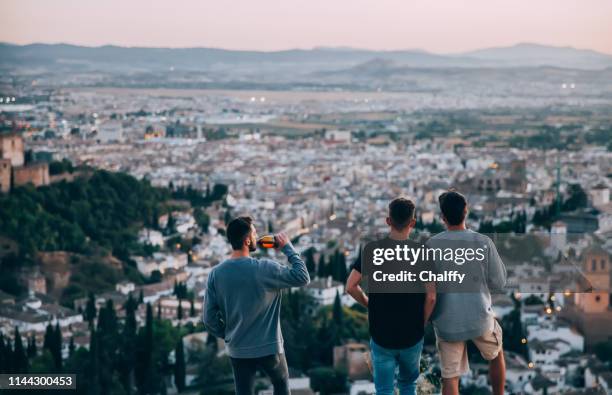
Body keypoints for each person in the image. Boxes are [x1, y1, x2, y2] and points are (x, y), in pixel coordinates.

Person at [203, 216, 310, 395]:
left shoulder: (216, 274)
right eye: (254, 233)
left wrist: (228, 334)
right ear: (247, 240)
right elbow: (302, 277)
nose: (257, 236)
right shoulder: (265, 268)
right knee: (281, 385)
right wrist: (287, 248)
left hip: (238, 348)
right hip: (269, 347)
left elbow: (208, 319)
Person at [346, 197, 437, 395]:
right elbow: (431, 297)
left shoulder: (372, 250)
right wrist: (421, 321)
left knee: (384, 389)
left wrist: (368, 304)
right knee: (408, 385)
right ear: (412, 223)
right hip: (412, 334)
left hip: (382, 334)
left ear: (388, 221)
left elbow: (351, 286)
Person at [427, 190, 507, 395]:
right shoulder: (483, 243)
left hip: (447, 323)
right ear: (466, 212)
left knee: (450, 377)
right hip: (479, 318)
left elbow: (426, 291)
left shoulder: (431, 246)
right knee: (496, 354)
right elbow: (499, 283)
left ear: (443, 217)